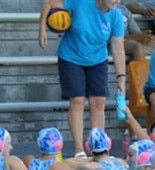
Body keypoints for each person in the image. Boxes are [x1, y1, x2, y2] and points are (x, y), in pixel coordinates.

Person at [38, 0, 126, 158]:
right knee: (77, 101)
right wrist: (42, 29)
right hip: (71, 57)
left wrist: (121, 77)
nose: (117, 1)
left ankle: (98, 148)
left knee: (99, 102)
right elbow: (50, 3)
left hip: (98, 60)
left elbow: (118, 49)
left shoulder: (116, 16)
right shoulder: (80, 2)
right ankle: (79, 151)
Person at [51, 128, 128, 169]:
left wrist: (89, 159)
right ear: (109, 144)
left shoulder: (90, 166)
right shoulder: (121, 162)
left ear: (88, 147)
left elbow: (65, 162)